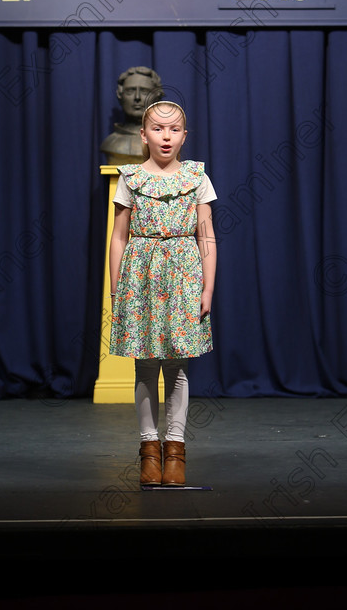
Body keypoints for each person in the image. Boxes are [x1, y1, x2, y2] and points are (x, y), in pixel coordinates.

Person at [108, 100, 217, 486]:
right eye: (157, 128)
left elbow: (206, 234)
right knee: (146, 364)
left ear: (184, 136)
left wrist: (207, 285)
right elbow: (119, 236)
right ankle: (148, 450)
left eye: (173, 130)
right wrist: (117, 286)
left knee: (177, 365)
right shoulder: (131, 177)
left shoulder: (196, 176)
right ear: (143, 135)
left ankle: (175, 450)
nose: (166, 136)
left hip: (183, 274)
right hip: (141, 273)